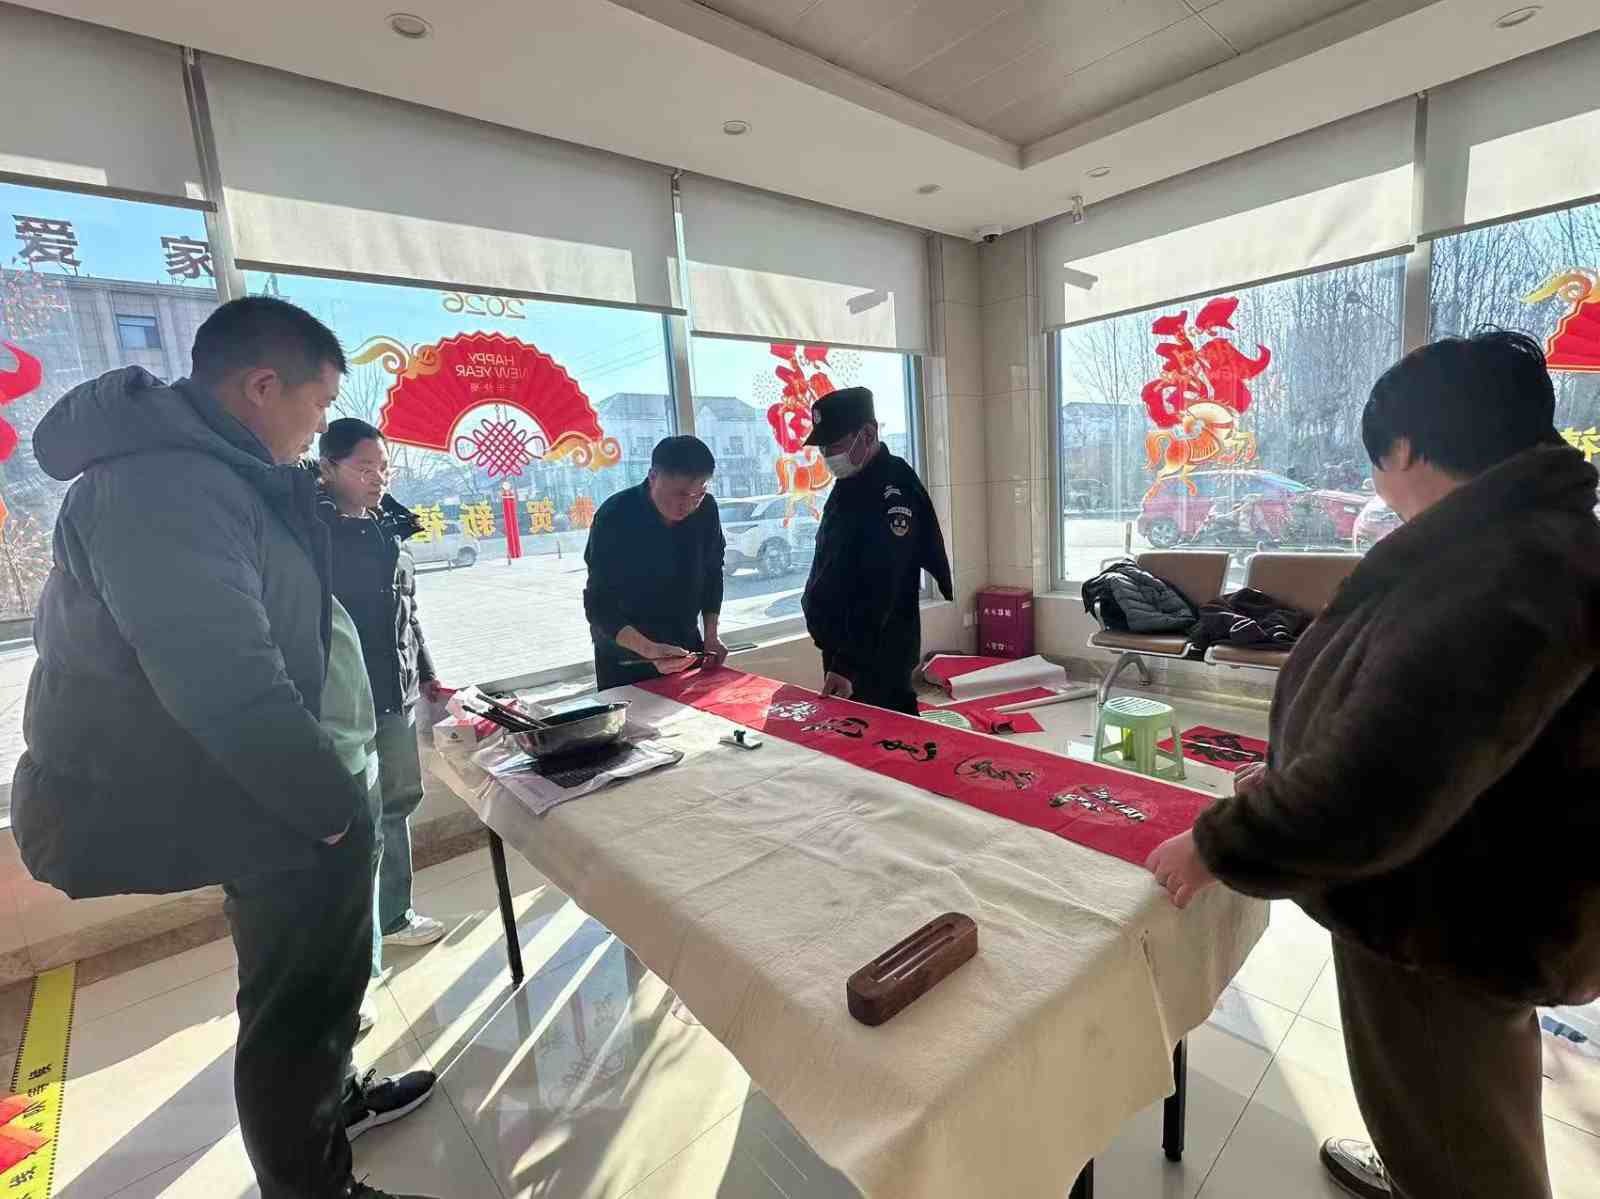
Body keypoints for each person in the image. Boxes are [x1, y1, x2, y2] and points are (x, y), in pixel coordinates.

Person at [1144, 330, 1600, 1199]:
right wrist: (1294, 770)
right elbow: (1444, 741)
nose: (1378, 484)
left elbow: (1380, 785)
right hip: (1468, 881)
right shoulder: (1523, 540)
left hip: (1449, 919)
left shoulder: (1507, 568)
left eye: (1378, 460)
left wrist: (1219, 842)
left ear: (1407, 447)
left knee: (1460, 1139)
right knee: (1461, 1110)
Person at [11, 297, 435, 1199]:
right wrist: (329, 808)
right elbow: (224, 680)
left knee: (314, 988)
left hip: (269, 783)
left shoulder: (223, 473)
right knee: (295, 1006)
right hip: (259, 792)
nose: (321, 426)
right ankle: (314, 1184)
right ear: (263, 385)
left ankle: (330, 1105)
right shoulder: (163, 487)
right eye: (320, 404)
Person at [315, 418, 448, 1030]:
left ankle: (394, 916)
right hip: (343, 705)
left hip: (395, 695)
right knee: (357, 832)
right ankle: (355, 974)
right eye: (365, 468)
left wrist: (429, 675)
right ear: (328, 467)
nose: (377, 479)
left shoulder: (388, 528)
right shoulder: (309, 534)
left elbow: (408, 614)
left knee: (398, 805)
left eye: (384, 468)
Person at [801, 387, 952, 713]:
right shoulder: (853, 480)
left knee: (887, 735)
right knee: (853, 731)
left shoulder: (892, 487)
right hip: (847, 647)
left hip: (876, 653)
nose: (827, 455)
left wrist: (846, 664)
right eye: (823, 447)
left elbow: (881, 585)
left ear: (867, 434)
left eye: (834, 445)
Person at [584, 435, 727, 689]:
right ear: (653, 477)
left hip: (685, 645)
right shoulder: (615, 515)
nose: (687, 505)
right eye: (679, 494)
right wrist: (649, 650)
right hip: (627, 656)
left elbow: (713, 573)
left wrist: (711, 636)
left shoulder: (706, 510)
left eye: (698, 495)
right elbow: (599, 605)